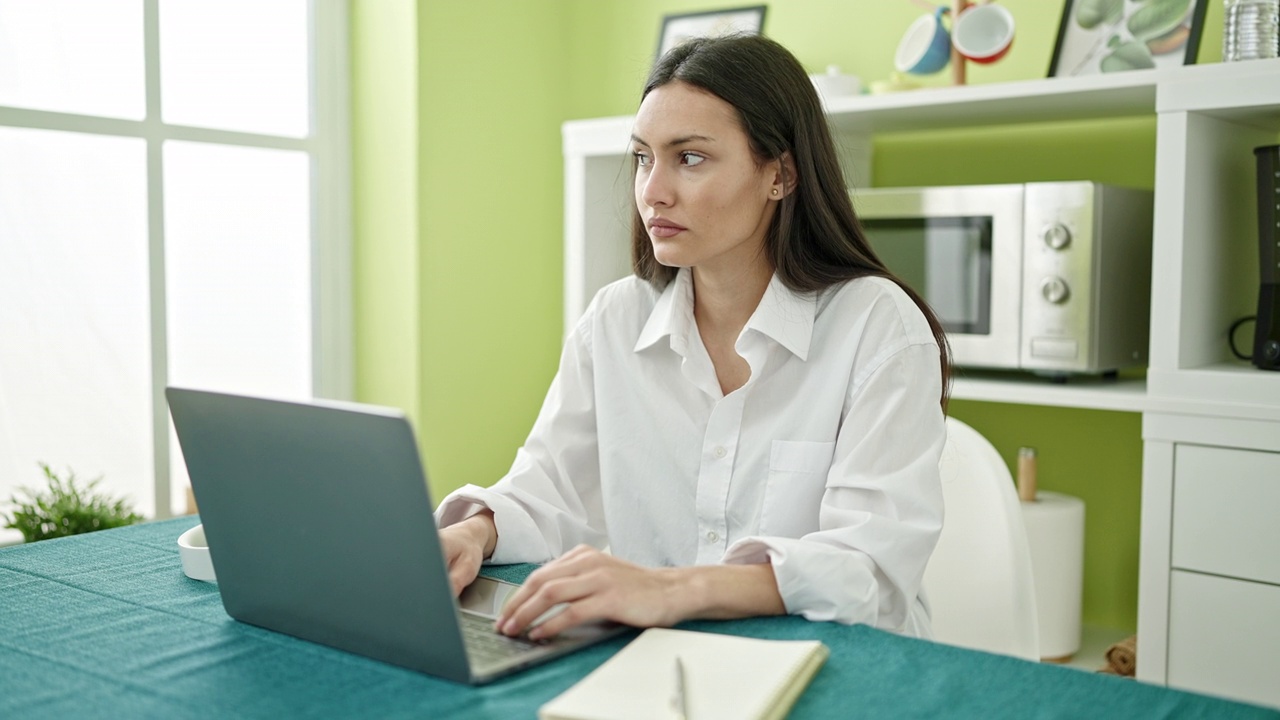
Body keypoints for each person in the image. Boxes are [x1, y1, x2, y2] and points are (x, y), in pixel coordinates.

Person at [434, 34, 951, 642]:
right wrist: (474, 531)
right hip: (662, 661)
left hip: (842, 667)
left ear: (780, 175)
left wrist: (671, 589)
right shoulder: (615, 318)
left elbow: (871, 573)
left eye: (690, 157)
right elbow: (549, 488)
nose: (653, 190)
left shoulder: (877, 326)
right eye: (644, 158)